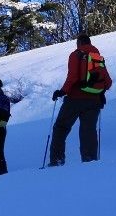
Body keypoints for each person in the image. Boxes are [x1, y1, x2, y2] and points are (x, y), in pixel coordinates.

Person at [48, 34, 112, 166]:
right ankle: (90, 161)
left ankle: (57, 161)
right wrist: (100, 92)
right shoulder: (98, 58)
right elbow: (108, 82)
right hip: (94, 101)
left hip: (75, 98)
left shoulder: (76, 54)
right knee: (88, 131)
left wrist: (62, 91)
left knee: (61, 127)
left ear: (79, 43)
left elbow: (72, 77)